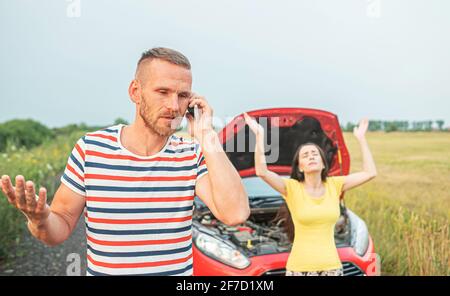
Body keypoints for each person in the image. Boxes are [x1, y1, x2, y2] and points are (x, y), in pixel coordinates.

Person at [0, 47, 250, 276]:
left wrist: (207, 136)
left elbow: (235, 213)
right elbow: (60, 227)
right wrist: (40, 220)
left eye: (183, 95)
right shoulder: (91, 149)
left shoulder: (191, 154)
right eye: (162, 92)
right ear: (135, 92)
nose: (174, 106)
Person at [243, 113, 377, 276]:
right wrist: (259, 135)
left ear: (323, 163)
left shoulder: (334, 185)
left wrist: (361, 139)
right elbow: (262, 171)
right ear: (300, 167)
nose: (311, 156)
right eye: (305, 155)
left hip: (332, 269)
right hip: (299, 269)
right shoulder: (291, 188)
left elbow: (370, 173)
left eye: (315, 154)